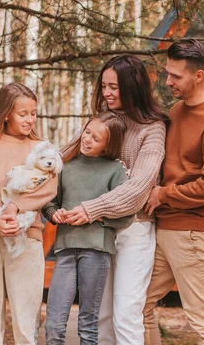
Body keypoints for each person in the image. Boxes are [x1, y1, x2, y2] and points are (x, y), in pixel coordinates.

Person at [58, 55, 167, 344]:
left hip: (134, 231)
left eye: (114, 87)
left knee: (126, 313)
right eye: (104, 86)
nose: (106, 93)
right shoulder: (102, 121)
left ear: (133, 87)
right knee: (99, 315)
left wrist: (91, 208)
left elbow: (139, 188)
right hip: (97, 232)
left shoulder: (152, 129)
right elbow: (63, 156)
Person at [143, 39, 204, 345]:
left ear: (199, 76)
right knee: (136, 304)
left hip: (195, 233)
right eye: (167, 73)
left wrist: (163, 195)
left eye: (176, 76)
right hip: (164, 228)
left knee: (203, 322)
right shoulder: (177, 110)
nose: (168, 81)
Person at [0, 82, 58, 345]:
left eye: (33, 113)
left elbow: (48, 187)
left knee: (26, 316)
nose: (30, 120)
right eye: (23, 114)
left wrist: (17, 208)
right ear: (6, 113)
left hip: (25, 236)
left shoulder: (40, 147)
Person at [43, 111, 133, 344]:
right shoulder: (67, 165)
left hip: (96, 252)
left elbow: (126, 214)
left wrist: (96, 217)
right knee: (53, 325)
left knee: (88, 326)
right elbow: (49, 202)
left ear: (107, 146)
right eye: (87, 131)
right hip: (64, 250)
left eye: (96, 138)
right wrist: (55, 214)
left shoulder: (115, 170)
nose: (87, 139)